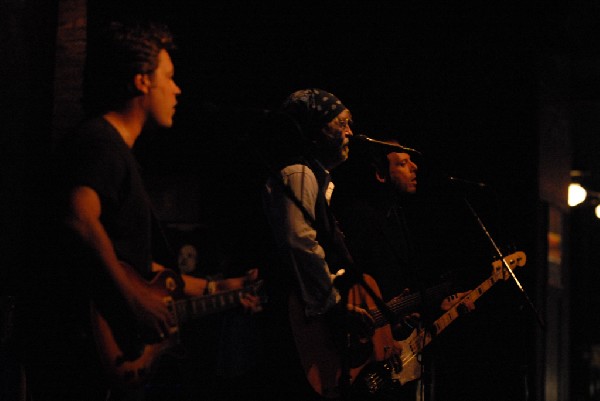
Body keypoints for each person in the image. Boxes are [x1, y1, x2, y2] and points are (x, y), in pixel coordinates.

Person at [19, 20, 258, 401]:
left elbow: (139, 267)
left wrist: (220, 288)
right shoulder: (101, 142)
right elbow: (78, 217)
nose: (177, 89)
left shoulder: (116, 152)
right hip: (80, 348)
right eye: (169, 77)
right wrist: (132, 301)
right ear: (142, 82)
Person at [258, 88, 389, 401]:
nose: (349, 133)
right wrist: (332, 306)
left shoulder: (316, 180)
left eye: (349, 124)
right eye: (340, 124)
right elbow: (299, 241)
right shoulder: (299, 173)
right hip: (292, 327)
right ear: (313, 130)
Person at [332, 136, 475, 400]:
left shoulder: (399, 217)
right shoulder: (358, 216)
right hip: (359, 352)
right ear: (380, 174)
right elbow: (347, 281)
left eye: (412, 162)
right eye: (403, 163)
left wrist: (429, 306)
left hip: (390, 349)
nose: (414, 168)